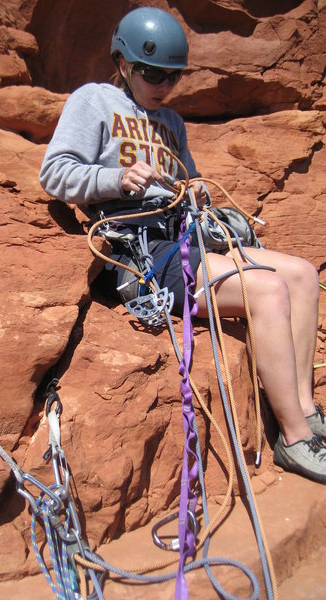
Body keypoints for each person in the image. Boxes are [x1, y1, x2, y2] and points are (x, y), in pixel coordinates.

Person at [39, 7, 325, 483]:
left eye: (172, 76)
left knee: (301, 274)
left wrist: (193, 188)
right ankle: (294, 440)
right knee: (268, 293)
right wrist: (117, 177)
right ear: (124, 63)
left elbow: (188, 177)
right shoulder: (94, 101)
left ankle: (307, 412)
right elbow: (55, 172)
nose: (163, 85)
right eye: (152, 73)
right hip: (143, 250)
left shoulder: (171, 120)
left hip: (184, 234)